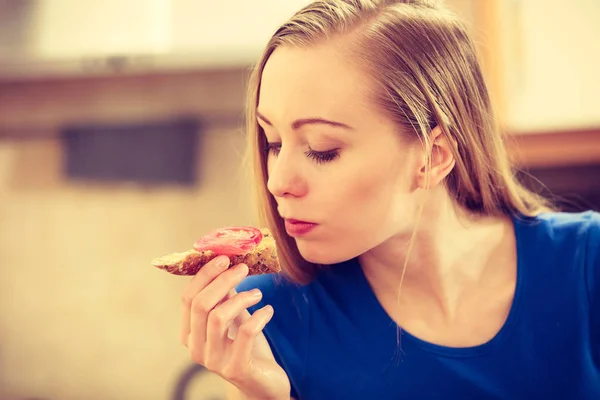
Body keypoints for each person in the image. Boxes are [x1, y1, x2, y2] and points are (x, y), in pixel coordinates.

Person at [179, 0, 600, 398]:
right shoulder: (263, 320)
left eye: (323, 149)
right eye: (273, 142)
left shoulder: (587, 263)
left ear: (434, 156)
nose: (277, 182)